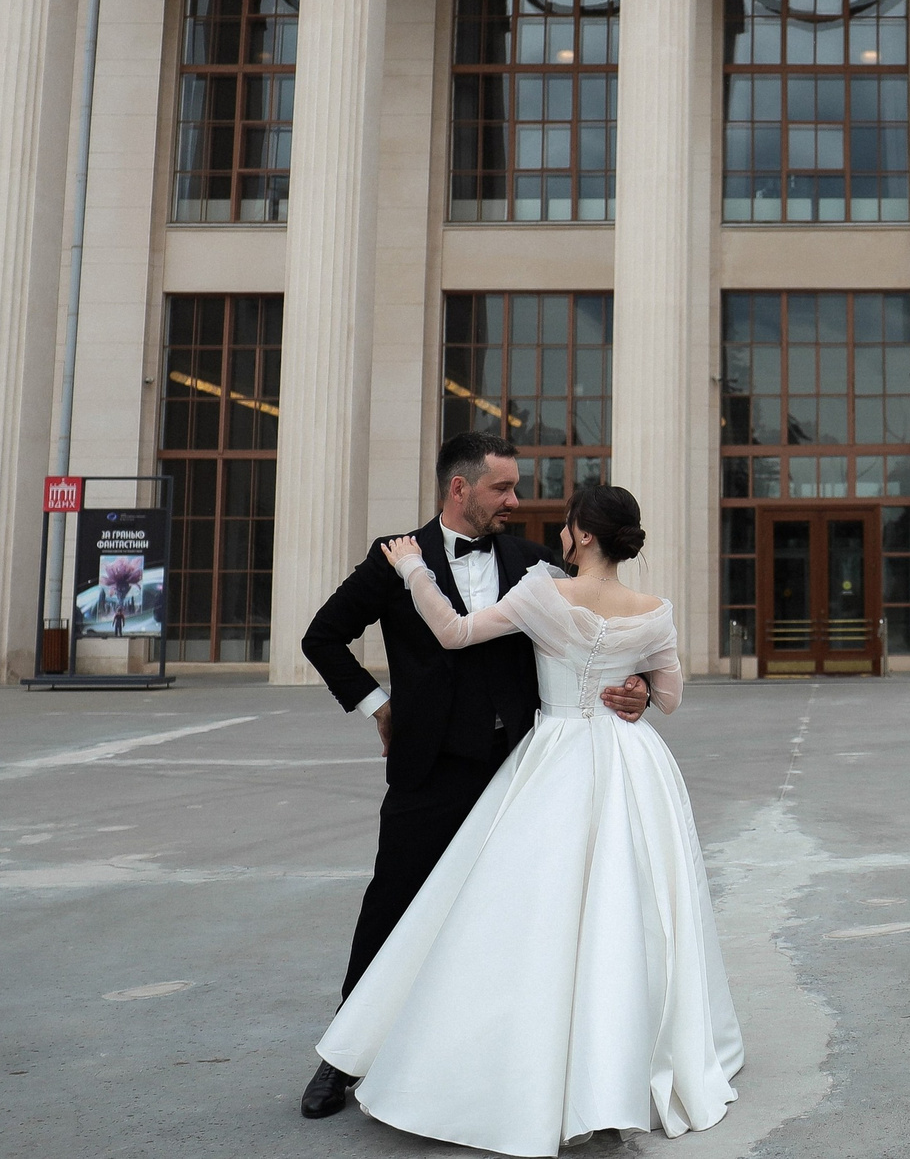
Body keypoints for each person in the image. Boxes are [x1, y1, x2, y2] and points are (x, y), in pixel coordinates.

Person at [315, 482, 743, 1156]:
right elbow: (669, 698)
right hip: (633, 762)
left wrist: (414, 571)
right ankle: (620, 1058)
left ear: (586, 536)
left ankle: (524, 1056)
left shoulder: (544, 593)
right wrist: (633, 687)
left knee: (525, 907)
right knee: (630, 907)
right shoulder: (654, 610)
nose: (561, 535)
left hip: (558, 755)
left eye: (570, 527)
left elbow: (454, 633)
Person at [295, 434, 656, 1121]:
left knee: (513, 917)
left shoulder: (531, 561)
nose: (516, 502)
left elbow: (598, 623)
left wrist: (635, 680)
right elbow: (322, 635)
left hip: (522, 770)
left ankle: (492, 1055)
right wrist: (378, 706)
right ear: (459, 488)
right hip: (429, 768)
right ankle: (341, 1059)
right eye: (503, 489)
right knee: (394, 903)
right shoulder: (395, 555)